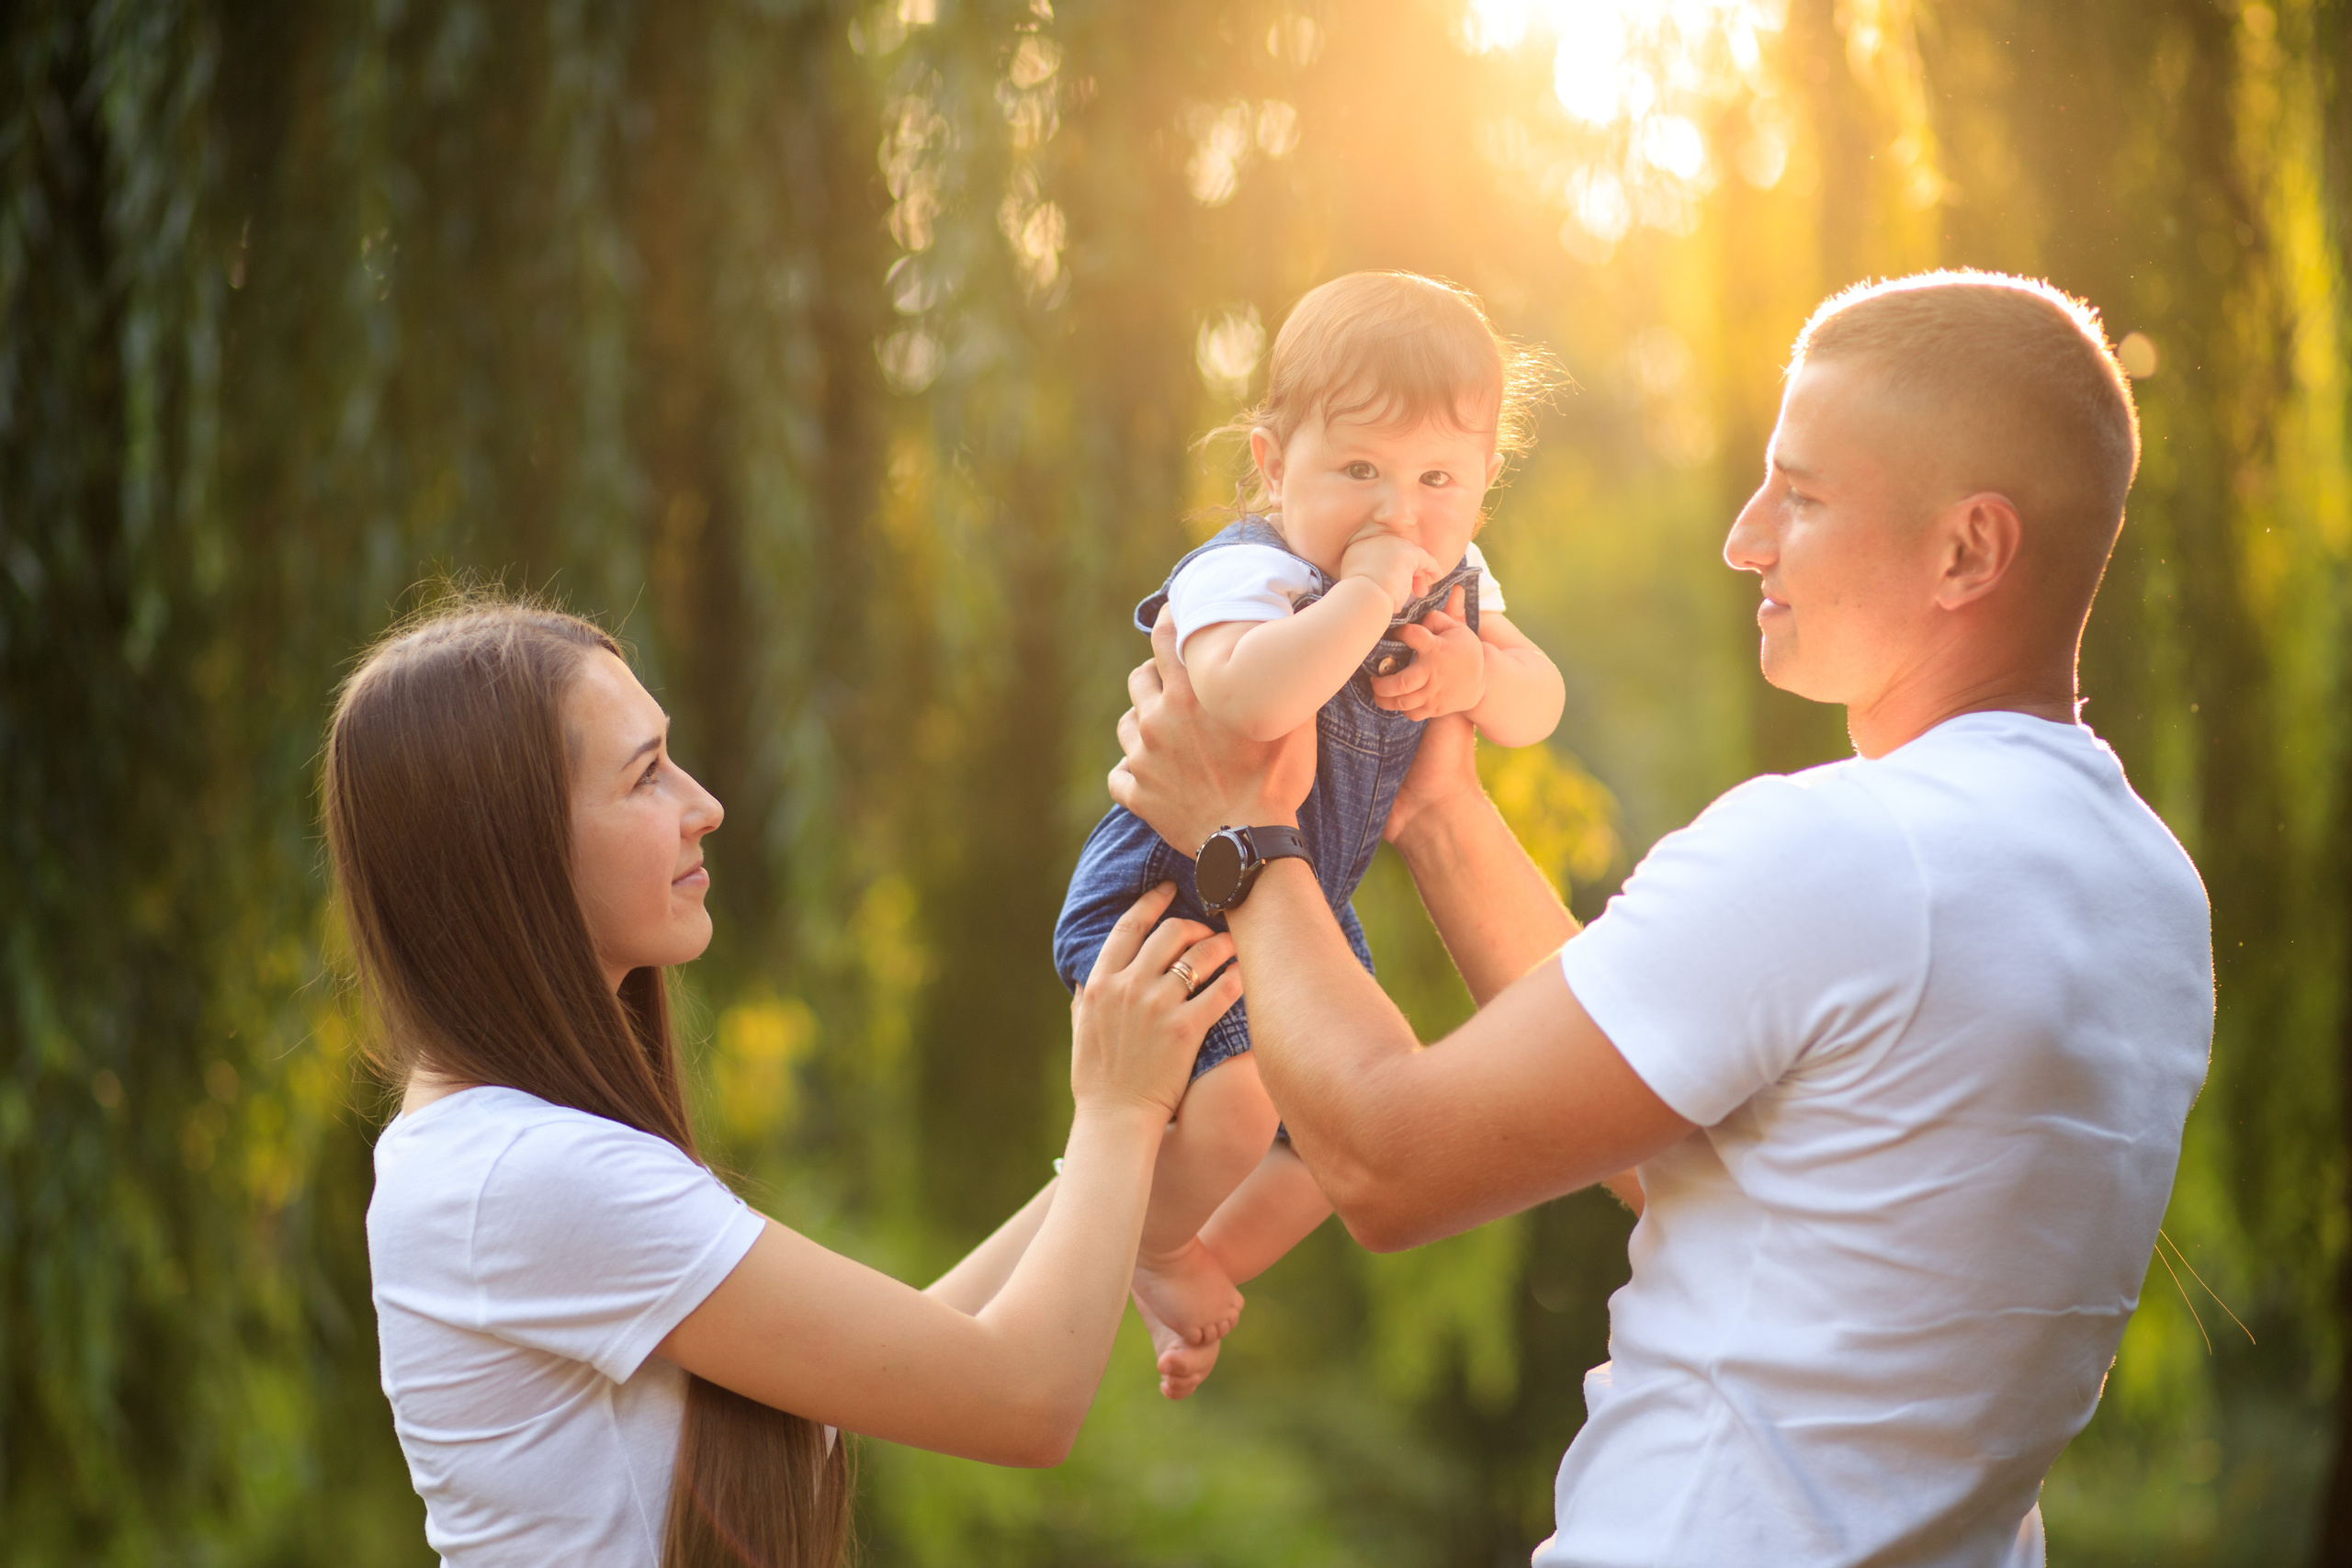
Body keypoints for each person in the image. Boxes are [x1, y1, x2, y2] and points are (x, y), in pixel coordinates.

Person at [1108, 270, 2215, 1565]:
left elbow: (1385, 1164)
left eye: (1800, 495)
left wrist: (1243, 837)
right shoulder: (2148, 885)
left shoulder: (1850, 849)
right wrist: (1444, 814)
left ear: (1967, 546)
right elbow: (1666, 1142)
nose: (1745, 536)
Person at [330, 600, 1242, 1567]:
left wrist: (1121, 1185)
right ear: (510, 849)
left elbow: (913, 1359)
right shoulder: (528, 1173)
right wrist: (1116, 1109)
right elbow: (1022, 1400)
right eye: (645, 776)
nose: (702, 805)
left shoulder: (494, 1152)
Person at [1053, 271, 1566, 1349]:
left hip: (1299, 897)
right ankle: (1145, 1248)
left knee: (1338, 1137)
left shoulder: (1456, 578)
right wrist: (1367, 595)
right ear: (1273, 463)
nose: (1400, 512)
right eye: (1361, 470)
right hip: (1174, 893)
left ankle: (1194, 1272)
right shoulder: (1250, 574)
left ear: (1483, 483)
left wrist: (1474, 674)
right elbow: (1247, 696)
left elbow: (1537, 704)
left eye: (1439, 477)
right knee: (1240, 1109)